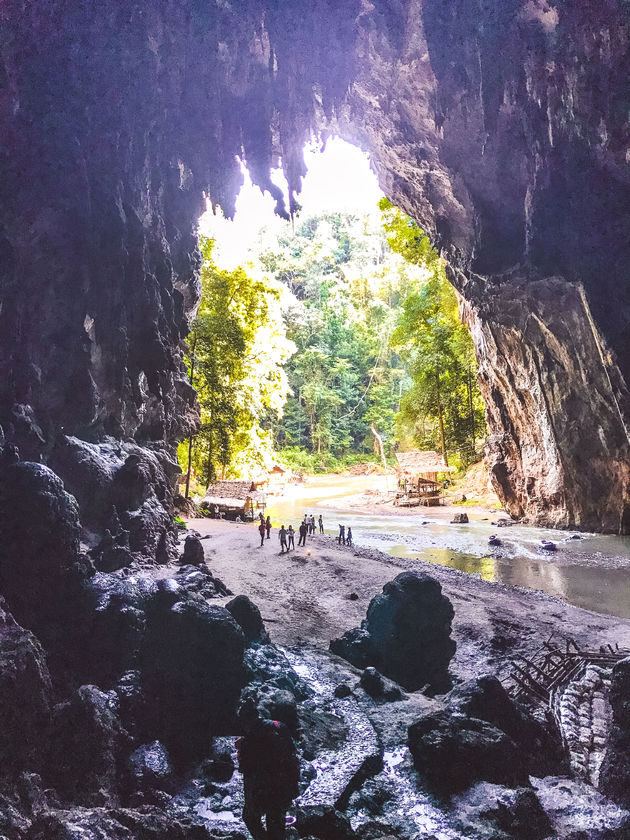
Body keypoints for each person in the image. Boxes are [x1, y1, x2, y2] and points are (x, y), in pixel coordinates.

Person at [237, 698, 300, 840]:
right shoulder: (279, 726)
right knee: (276, 824)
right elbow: (293, 755)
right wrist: (294, 785)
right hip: (283, 786)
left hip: (263, 789)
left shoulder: (249, 741)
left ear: (246, 722)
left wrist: (250, 801)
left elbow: (248, 772)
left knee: (249, 818)